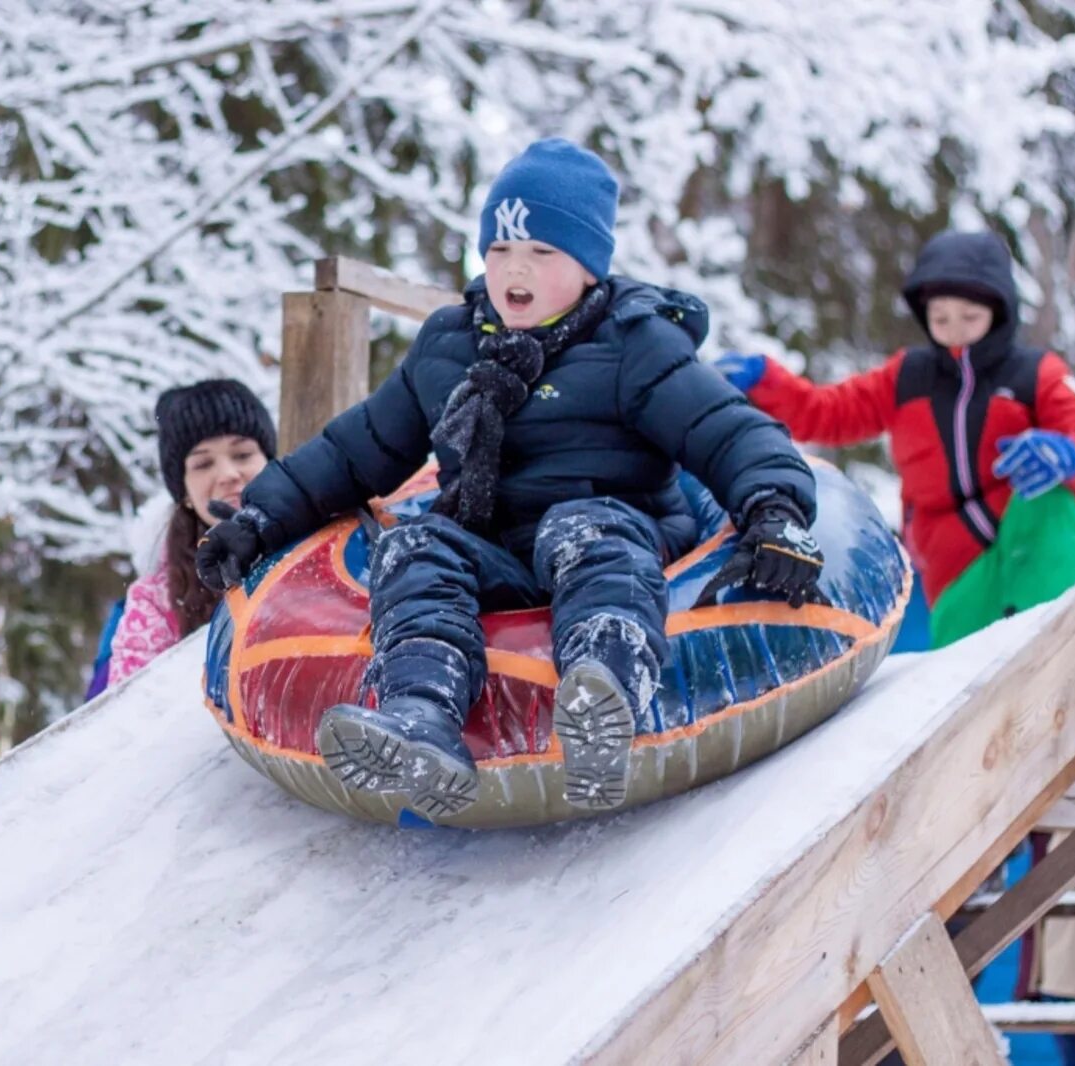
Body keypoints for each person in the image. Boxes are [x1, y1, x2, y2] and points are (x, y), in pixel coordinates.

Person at [196, 138, 822, 821]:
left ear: (588, 268)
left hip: (611, 530)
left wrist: (774, 509)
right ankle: (422, 712)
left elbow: (728, 431)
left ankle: (604, 694)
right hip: (493, 545)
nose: (514, 270)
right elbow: (357, 450)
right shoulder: (451, 346)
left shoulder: (633, 344)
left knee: (580, 528)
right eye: (499, 251)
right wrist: (260, 518)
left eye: (541, 254)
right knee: (414, 545)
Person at [716, 230, 1075, 648]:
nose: (955, 331)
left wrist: (1070, 455)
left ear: (999, 312)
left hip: (1030, 552)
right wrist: (767, 382)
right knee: (964, 665)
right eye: (941, 318)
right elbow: (829, 412)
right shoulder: (908, 377)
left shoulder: (1036, 375)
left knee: (1050, 496)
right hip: (955, 572)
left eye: (969, 317)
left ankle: (1056, 637)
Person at [88, 379, 276, 698]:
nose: (228, 473)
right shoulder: (156, 602)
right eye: (203, 463)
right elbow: (131, 720)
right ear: (184, 493)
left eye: (243, 454)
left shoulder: (327, 548)